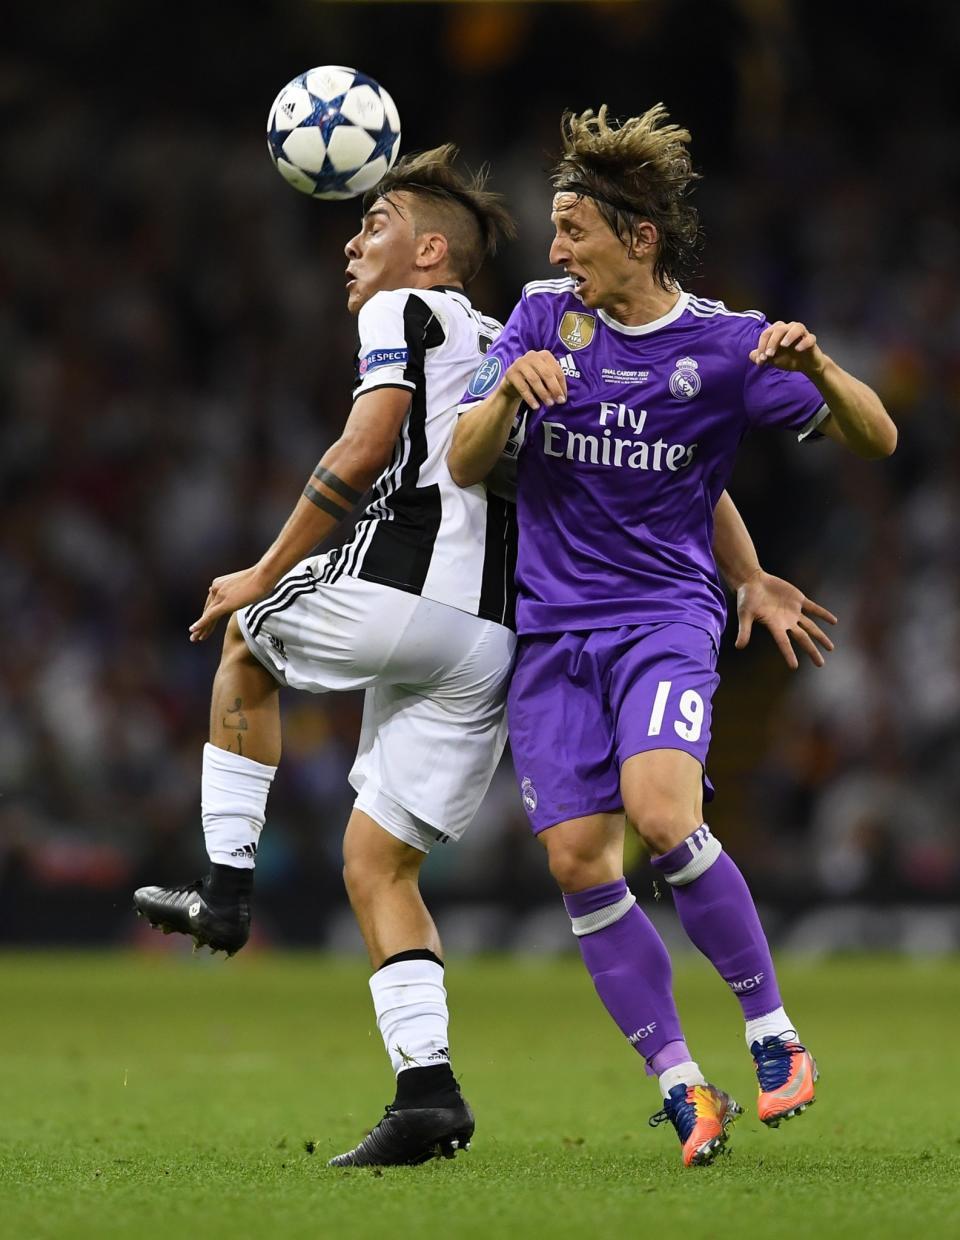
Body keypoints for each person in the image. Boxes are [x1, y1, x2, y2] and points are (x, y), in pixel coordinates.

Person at [134, 142, 834, 1170]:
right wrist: (746, 568)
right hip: (503, 639)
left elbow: (369, 442)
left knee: (246, 632)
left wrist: (263, 568)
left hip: (415, 593)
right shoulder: (524, 330)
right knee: (383, 863)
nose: (349, 245)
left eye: (370, 228)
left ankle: (225, 884)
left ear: (429, 253)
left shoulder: (401, 312)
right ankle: (430, 1091)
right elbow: (657, 454)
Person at [448, 103, 895, 1168]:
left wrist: (822, 368)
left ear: (638, 239)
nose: (557, 253)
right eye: (556, 234)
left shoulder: (729, 349)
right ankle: (684, 1086)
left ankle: (775, 1036)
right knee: (574, 860)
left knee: (660, 815)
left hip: (663, 620)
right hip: (552, 633)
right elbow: (465, 462)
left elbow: (876, 436)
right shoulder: (540, 318)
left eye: (575, 234)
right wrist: (508, 389)